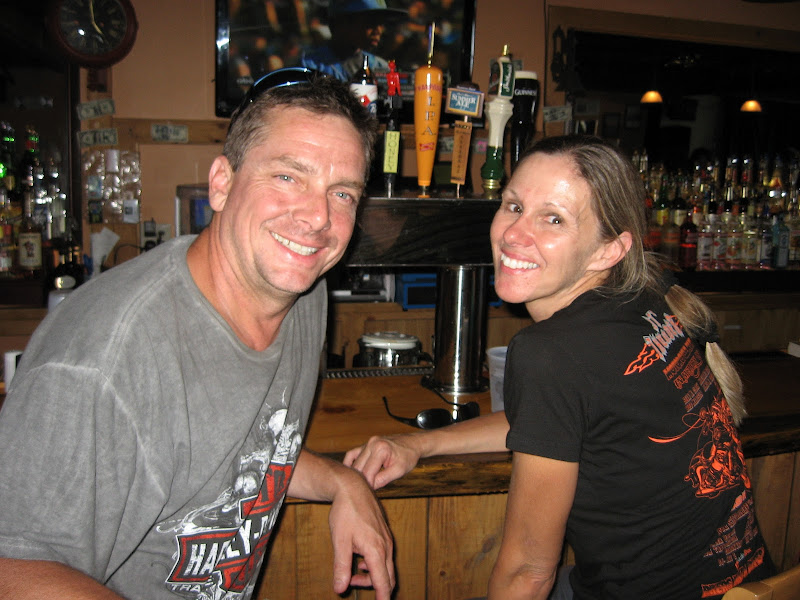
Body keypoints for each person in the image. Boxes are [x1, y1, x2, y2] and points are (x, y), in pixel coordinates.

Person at [0, 69, 395, 600]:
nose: (317, 217)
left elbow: (238, 453)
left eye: (341, 193)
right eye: (287, 176)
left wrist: (342, 481)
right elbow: (13, 570)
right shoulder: (102, 362)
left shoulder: (305, 294)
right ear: (222, 184)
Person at [344, 135, 774, 599]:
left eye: (553, 219)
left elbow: (528, 573)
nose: (513, 234)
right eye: (513, 206)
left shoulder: (553, 352)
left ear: (609, 250)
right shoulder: (644, 300)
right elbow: (556, 423)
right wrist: (418, 444)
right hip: (752, 583)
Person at [301, 0, 407, 81]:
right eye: (371, 22)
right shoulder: (310, 66)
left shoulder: (380, 67)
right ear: (341, 23)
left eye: (381, 23)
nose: (378, 30)